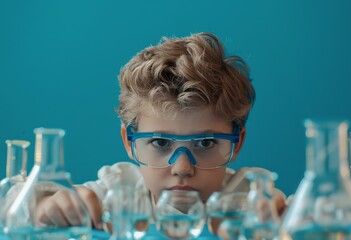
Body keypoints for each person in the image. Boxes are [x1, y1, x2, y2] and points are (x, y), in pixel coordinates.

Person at [35, 32, 286, 229]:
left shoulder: (249, 198)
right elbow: (11, 204)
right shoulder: (116, 193)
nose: (182, 168)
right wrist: (45, 206)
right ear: (129, 140)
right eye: (160, 143)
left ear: (236, 143)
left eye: (206, 143)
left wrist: (292, 216)